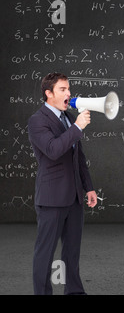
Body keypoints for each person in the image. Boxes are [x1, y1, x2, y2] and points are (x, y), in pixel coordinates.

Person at [28, 72, 97, 295]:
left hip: (74, 197)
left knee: (71, 252)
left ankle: (75, 292)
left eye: (69, 89)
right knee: (45, 254)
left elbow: (78, 156)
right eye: (62, 89)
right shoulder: (38, 120)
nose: (69, 93)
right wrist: (76, 128)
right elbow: (53, 151)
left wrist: (89, 187)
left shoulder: (67, 117)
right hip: (52, 198)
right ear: (48, 94)